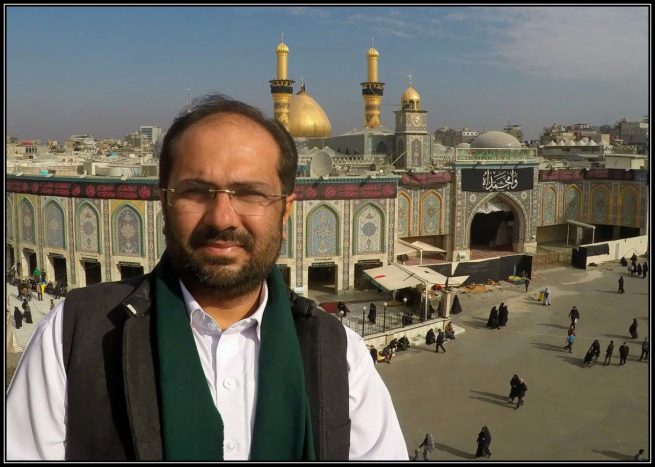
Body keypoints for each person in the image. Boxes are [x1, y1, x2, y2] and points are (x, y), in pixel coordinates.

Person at [6, 95, 408, 461]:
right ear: (164, 202)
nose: (222, 218)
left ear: (285, 212)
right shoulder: (75, 336)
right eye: (197, 192)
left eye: (250, 193)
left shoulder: (340, 355)